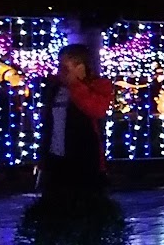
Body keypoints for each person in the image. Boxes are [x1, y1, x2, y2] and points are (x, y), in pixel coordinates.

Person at [36, 43, 115, 197]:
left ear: (80, 67)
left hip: (83, 158)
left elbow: (96, 110)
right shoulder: (56, 88)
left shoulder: (98, 85)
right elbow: (49, 123)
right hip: (55, 158)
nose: (60, 72)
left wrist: (75, 84)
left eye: (65, 68)